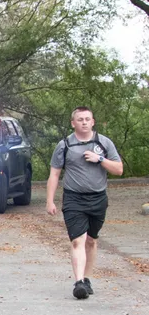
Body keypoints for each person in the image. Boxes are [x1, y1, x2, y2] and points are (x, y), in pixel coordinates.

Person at [46, 106, 123, 299]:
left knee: (91, 240)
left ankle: (87, 279)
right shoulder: (64, 145)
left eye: (87, 119)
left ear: (93, 121)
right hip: (73, 198)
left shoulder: (103, 143)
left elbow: (119, 170)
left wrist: (100, 159)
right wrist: (50, 201)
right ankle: (78, 282)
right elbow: (54, 174)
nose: (84, 122)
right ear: (73, 123)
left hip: (98, 198)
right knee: (77, 240)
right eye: (80, 119)